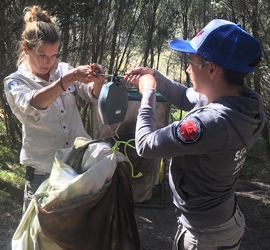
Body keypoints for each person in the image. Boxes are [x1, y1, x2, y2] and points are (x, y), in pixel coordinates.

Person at [124, 19, 265, 250]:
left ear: (211, 69)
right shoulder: (246, 103)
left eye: (190, 62)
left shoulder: (211, 123)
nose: (187, 69)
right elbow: (187, 96)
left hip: (205, 238)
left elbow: (145, 145)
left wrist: (148, 93)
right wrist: (154, 76)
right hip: (223, 221)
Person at [4, 5, 105, 212]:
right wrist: (66, 81)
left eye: (53, 55)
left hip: (76, 167)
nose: (48, 62)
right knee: (39, 239)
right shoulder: (15, 82)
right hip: (43, 172)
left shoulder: (64, 70)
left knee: (74, 236)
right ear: (26, 48)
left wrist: (98, 81)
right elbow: (35, 104)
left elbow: (91, 94)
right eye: (42, 55)